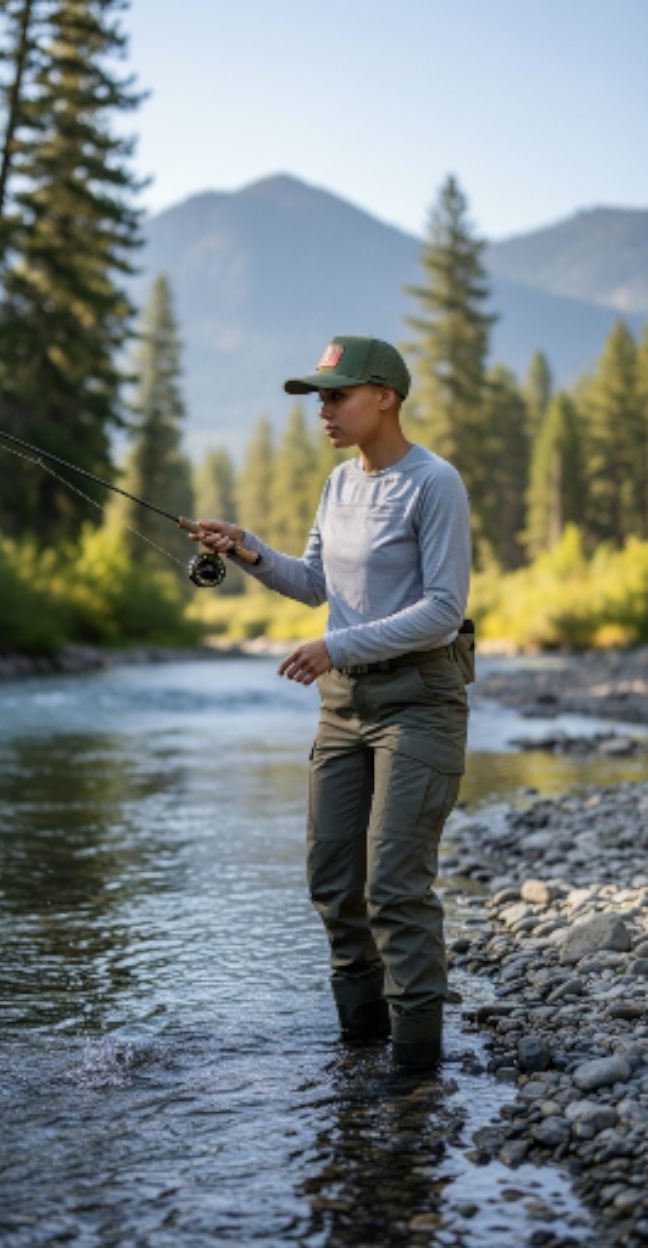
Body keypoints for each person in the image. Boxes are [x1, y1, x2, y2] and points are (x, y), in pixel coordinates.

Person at [193, 336, 472, 1071]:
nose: (323, 409)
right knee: (333, 882)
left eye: (337, 395)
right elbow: (316, 583)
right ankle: (360, 1052)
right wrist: (247, 548)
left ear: (385, 396)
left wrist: (333, 648)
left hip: (419, 700)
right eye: (318, 396)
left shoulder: (434, 483)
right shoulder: (338, 485)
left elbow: (444, 610)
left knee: (394, 885)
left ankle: (416, 1072)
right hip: (343, 707)